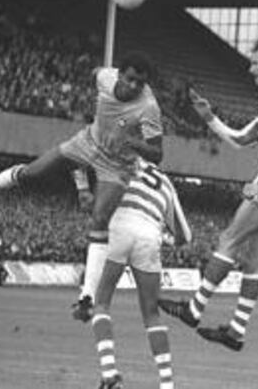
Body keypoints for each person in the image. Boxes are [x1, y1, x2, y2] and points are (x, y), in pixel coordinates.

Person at [0, 52, 164, 319]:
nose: (135, 86)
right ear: (120, 74)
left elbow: (157, 155)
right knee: (33, 172)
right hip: (86, 143)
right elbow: (93, 72)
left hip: (117, 165)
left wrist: (136, 144)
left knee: (99, 219)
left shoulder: (148, 107)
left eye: (140, 83)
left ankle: (87, 298)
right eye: (131, 79)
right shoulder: (104, 77)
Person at [158, 32, 258, 351]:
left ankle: (194, 309)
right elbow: (241, 139)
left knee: (230, 238)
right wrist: (209, 117)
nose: (250, 69)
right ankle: (236, 331)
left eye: (254, 63)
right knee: (254, 258)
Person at [87, 161, 191, 389]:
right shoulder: (165, 181)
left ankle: (110, 374)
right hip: (149, 236)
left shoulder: (118, 157)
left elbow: (102, 196)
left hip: (120, 227)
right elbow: (185, 235)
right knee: (152, 314)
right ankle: (167, 384)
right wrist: (163, 238)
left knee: (101, 302)